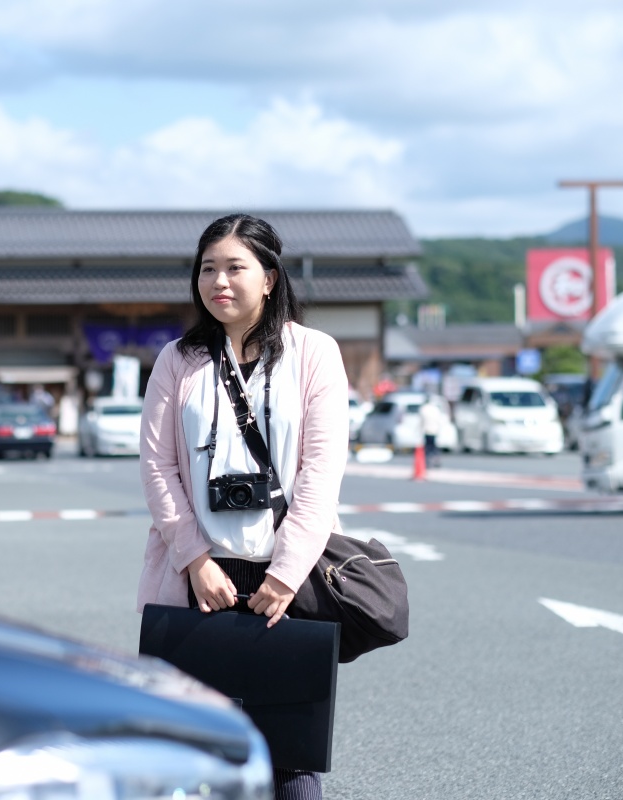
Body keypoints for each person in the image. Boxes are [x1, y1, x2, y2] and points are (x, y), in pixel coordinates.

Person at [138, 214, 348, 800]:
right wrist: (194, 559)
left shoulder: (314, 353)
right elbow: (157, 467)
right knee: (196, 751)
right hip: (197, 578)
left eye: (235, 268)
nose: (218, 282)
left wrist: (285, 574)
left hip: (289, 577)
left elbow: (322, 470)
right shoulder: (177, 359)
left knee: (290, 754)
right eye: (208, 269)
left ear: (270, 278)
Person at [418, 396, 443, 467]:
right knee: (434, 446)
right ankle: (436, 460)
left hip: (426, 430)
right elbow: (439, 420)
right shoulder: (436, 409)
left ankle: (428, 461)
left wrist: (420, 430)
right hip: (435, 430)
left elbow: (421, 421)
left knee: (428, 447)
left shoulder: (423, 409)